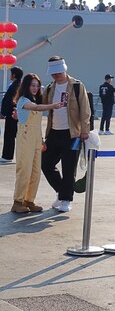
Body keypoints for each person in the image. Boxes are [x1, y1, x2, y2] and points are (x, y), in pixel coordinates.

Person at [42, 56, 92, 213]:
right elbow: (40, 105)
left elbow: (85, 109)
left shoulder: (77, 86)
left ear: (64, 69)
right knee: (46, 164)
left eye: (58, 72)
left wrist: (85, 130)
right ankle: (62, 192)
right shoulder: (49, 88)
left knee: (69, 168)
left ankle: (66, 199)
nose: (56, 75)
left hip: (72, 133)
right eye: (53, 73)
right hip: (53, 132)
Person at [11, 73, 63, 213]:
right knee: (24, 170)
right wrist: (53, 105)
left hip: (35, 138)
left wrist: (41, 140)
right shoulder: (22, 100)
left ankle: (29, 200)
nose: (35, 88)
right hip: (25, 137)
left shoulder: (35, 99)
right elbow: (36, 108)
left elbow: (37, 122)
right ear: (26, 86)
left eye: (37, 85)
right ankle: (18, 201)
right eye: (32, 85)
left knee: (35, 172)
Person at [1, 66, 23, 164]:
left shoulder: (15, 86)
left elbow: (10, 101)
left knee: (9, 135)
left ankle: (7, 156)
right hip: (14, 113)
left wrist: (4, 112)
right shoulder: (19, 85)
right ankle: (8, 155)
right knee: (13, 135)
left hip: (12, 114)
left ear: (13, 75)